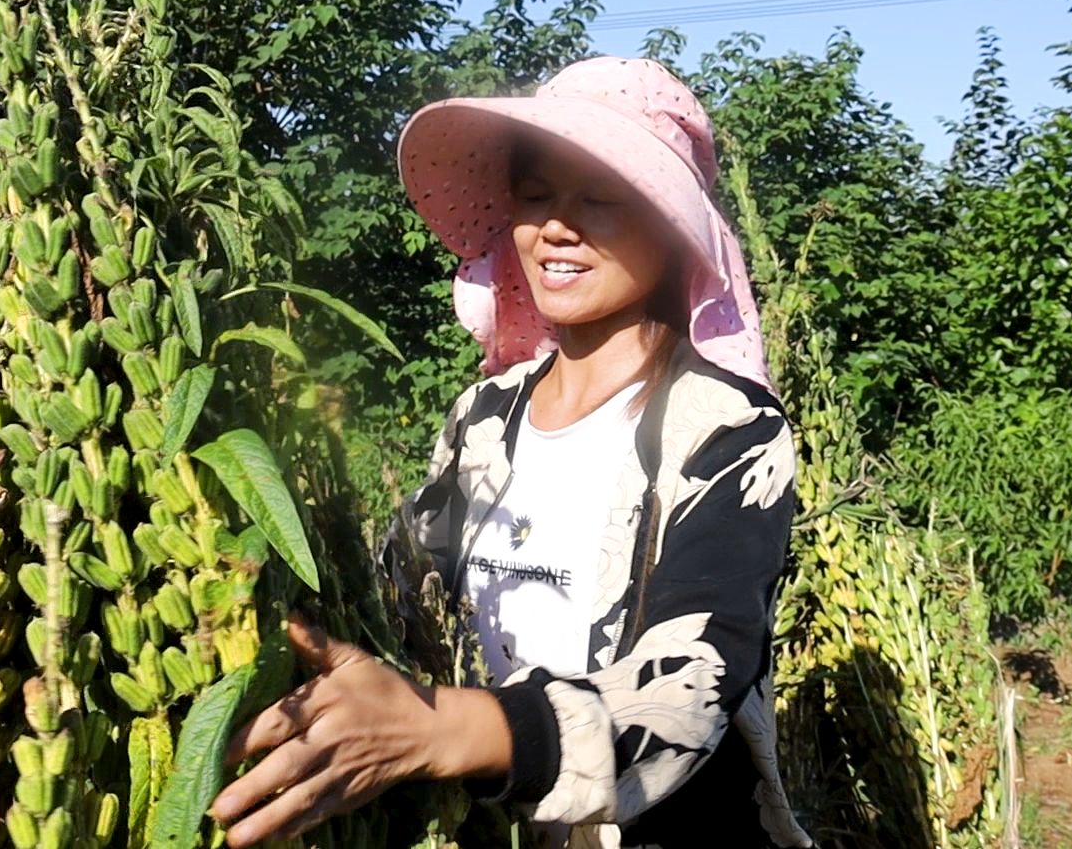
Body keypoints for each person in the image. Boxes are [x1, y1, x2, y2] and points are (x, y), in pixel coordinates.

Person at [208, 57, 813, 848]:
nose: (558, 226)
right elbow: (408, 605)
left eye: (603, 197)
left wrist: (438, 730)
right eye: (536, 196)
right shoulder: (484, 416)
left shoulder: (727, 428)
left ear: (671, 229)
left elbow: (691, 686)